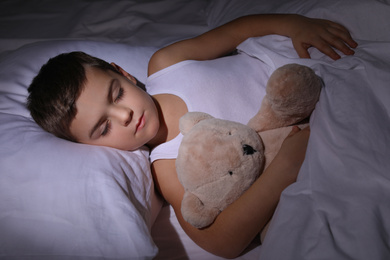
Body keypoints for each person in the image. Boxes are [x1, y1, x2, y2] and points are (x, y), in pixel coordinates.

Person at [27, 14, 357, 258]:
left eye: (116, 95)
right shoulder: (165, 166)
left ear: (124, 73)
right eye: (104, 127)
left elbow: (236, 31)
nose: (124, 115)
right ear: (92, 148)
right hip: (311, 141)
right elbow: (220, 241)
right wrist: (286, 167)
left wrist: (293, 25)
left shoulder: (166, 65)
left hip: (306, 74)